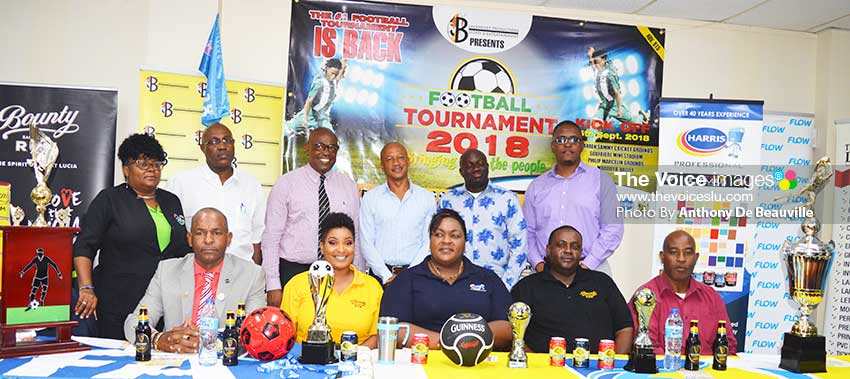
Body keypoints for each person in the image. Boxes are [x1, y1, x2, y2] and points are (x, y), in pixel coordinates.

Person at [74, 133, 191, 340]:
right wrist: (86, 288)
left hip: (162, 303)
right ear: (125, 169)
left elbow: (181, 251)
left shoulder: (172, 201)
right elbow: (85, 246)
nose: (152, 169)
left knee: (161, 353)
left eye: (156, 164)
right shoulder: (109, 200)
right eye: (143, 164)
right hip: (117, 301)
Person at [122, 208, 266, 350]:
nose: (208, 240)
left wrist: (211, 342)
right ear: (190, 239)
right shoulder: (166, 271)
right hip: (175, 359)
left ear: (228, 239)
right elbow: (133, 322)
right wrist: (157, 339)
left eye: (216, 233)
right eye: (200, 233)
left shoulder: (252, 274)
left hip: (223, 360)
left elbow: (256, 331)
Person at [380, 209, 512, 350]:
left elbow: (508, 328)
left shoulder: (487, 278)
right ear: (430, 240)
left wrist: (469, 340)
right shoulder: (406, 279)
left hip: (479, 360)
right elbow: (394, 329)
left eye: (455, 236)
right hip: (422, 358)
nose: (446, 241)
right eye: (439, 235)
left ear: (465, 241)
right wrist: (448, 343)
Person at [263, 127, 363, 307]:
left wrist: (359, 277)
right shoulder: (286, 184)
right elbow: (271, 238)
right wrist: (273, 285)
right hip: (293, 272)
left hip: (338, 273)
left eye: (331, 148)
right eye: (319, 146)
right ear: (307, 148)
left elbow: (356, 236)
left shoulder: (348, 186)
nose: (326, 152)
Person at [511, 225, 632, 354]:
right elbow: (513, 333)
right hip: (542, 365)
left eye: (575, 247)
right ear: (548, 250)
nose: (568, 251)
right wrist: (534, 362)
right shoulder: (526, 287)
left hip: (598, 365)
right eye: (561, 245)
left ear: (581, 253)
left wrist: (617, 362)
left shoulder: (602, 282)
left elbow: (624, 328)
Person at [523, 120, 623, 276]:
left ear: (582, 145)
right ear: (553, 146)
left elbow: (613, 228)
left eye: (574, 140)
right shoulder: (537, 186)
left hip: (592, 268)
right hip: (546, 272)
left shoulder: (601, 180)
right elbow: (527, 231)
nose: (568, 144)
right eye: (561, 140)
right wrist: (539, 264)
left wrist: (587, 264)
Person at [166, 123, 266, 264]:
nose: (222, 146)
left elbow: (257, 238)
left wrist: (254, 273)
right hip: (196, 272)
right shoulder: (180, 183)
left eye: (227, 140)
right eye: (214, 142)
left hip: (242, 271)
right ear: (202, 147)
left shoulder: (251, 185)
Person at [282, 213, 382, 348]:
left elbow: (377, 336)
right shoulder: (297, 284)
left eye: (348, 243)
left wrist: (349, 355)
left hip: (357, 359)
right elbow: (285, 335)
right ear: (322, 247)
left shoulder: (372, 287)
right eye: (333, 243)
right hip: (305, 359)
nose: (341, 249)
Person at [631, 230, 737, 356]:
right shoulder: (646, 297)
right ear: (662, 256)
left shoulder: (711, 297)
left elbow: (728, 346)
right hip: (662, 367)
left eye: (687, 253)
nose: (681, 259)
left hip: (706, 367)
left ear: (696, 258)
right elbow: (646, 348)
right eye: (673, 252)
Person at [438, 148, 528, 289]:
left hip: (496, 282)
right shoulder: (448, 200)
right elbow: (438, 243)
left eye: (480, 164)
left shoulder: (507, 199)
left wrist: (505, 286)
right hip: (454, 282)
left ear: (487, 167)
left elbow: (519, 246)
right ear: (461, 172)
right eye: (470, 165)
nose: (476, 169)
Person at [360, 142, 435, 284]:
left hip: (417, 275)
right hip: (380, 277)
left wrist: (409, 275)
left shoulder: (427, 198)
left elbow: (428, 242)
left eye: (400, 157)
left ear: (408, 161)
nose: (396, 163)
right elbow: (366, 243)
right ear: (382, 167)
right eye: (389, 159)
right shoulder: (370, 198)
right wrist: (386, 275)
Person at [284, 58, 347, 171]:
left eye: (336, 74)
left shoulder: (334, 81)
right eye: (332, 73)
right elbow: (309, 101)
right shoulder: (319, 83)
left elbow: (340, 74)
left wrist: (343, 64)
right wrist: (304, 117)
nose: (334, 76)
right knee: (288, 129)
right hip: (310, 115)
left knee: (332, 141)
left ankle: (332, 169)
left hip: (322, 118)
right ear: (327, 69)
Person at [587, 47, 649, 124]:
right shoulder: (597, 71)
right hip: (604, 106)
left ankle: (641, 116)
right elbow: (593, 65)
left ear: (604, 60)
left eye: (598, 62)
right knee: (595, 126)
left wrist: (619, 109)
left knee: (635, 123)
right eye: (596, 62)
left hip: (614, 106)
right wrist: (590, 56)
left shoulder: (610, 74)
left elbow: (617, 92)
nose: (597, 64)